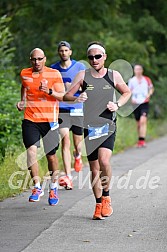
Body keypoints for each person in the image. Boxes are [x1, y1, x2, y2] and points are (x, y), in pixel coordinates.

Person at [63, 41, 131, 219]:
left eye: (98, 56)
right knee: (94, 169)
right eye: (91, 57)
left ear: (105, 57)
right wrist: (77, 97)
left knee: (104, 161)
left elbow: (127, 92)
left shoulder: (113, 75)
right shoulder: (82, 75)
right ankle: (98, 203)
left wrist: (117, 105)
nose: (94, 60)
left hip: (107, 124)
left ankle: (107, 197)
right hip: (89, 126)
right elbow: (66, 95)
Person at [17, 48, 65, 206]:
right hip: (30, 119)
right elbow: (24, 86)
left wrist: (49, 91)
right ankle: (37, 187)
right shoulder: (25, 73)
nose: (36, 62)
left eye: (39, 59)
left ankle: (53, 186)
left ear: (45, 59)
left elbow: (62, 95)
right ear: (30, 60)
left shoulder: (54, 74)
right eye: (33, 59)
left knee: (51, 156)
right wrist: (22, 100)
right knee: (31, 151)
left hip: (50, 120)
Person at [51, 41, 85, 190]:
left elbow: (86, 85)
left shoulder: (79, 67)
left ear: (70, 52)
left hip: (77, 108)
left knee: (78, 144)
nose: (64, 53)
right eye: (61, 50)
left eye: (66, 50)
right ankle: (68, 177)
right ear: (59, 53)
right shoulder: (53, 69)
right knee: (65, 139)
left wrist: (85, 93)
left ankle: (77, 156)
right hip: (62, 108)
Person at [128, 64, 154, 147]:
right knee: (138, 123)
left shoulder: (146, 79)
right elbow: (129, 91)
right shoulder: (132, 80)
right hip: (135, 103)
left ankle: (142, 140)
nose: (138, 71)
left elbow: (151, 88)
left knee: (143, 120)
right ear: (134, 71)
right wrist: (131, 98)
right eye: (136, 69)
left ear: (142, 70)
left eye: (139, 69)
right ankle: (140, 140)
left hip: (144, 102)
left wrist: (149, 94)